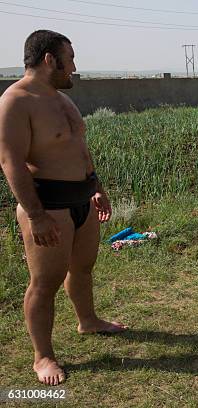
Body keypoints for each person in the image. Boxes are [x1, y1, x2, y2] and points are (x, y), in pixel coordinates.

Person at [0, 30, 128, 386]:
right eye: (70, 58)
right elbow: (10, 161)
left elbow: (78, 148)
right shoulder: (16, 100)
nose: (75, 66)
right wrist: (37, 215)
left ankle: (88, 321)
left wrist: (96, 187)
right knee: (45, 282)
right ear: (49, 60)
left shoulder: (62, 99)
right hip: (49, 205)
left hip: (82, 200)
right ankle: (42, 356)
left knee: (83, 268)